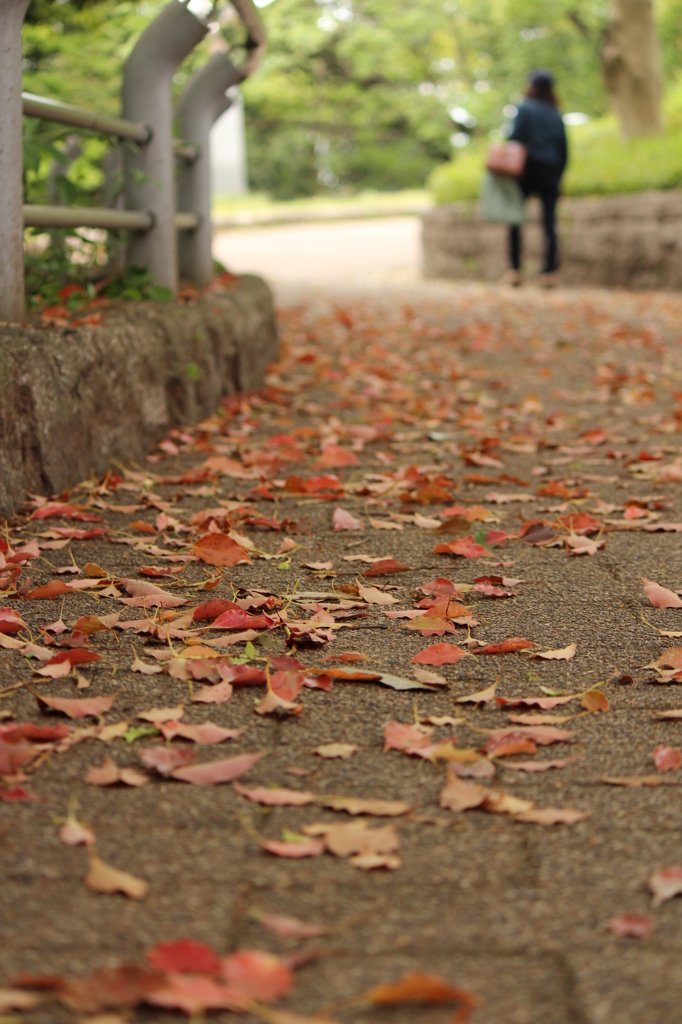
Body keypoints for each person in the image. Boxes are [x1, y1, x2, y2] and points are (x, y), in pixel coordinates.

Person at [505, 69, 568, 287]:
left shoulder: (524, 109)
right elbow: (564, 149)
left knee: (515, 220)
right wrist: (558, 176)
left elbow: (515, 138)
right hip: (550, 171)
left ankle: (514, 270)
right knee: (549, 223)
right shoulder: (555, 114)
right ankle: (548, 272)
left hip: (526, 171)